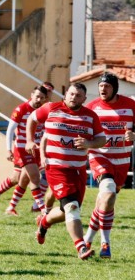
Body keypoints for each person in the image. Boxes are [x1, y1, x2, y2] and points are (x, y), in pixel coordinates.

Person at [26, 83, 106, 260]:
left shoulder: (90, 116)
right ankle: (81, 247)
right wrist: (30, 140)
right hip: (56, 168)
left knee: (66, 212)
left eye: (78, 95)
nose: (73, 97)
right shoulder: (51, 108)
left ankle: (44, 222)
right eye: (71, 94)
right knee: (72, 208)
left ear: (84, 99)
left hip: (78, 170)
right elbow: (31, 119)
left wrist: (89, 144)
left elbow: (101, 139)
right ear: (65, 94)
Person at [83, 73, 135, 258]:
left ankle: (88, 238)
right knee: (109, 192)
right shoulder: (92, 107)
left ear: (115, 88)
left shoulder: (130, 105)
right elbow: (84, 131)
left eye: (107, 86)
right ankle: (106, 243)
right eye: (101, 86)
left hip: (122, 161)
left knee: (105, 201)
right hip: (100, 157)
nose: (103, 89)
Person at [0, 85, 49, 215]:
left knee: (19, 179)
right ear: (31, 95)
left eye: (42, 98)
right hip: (22, 148)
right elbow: (10, 130)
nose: (39, 99)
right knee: (36, 178)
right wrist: (8, 149)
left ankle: (2, 200)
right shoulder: (21, 109)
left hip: (36, 149)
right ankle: (43, 210)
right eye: (37, 96)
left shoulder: (44, 111)